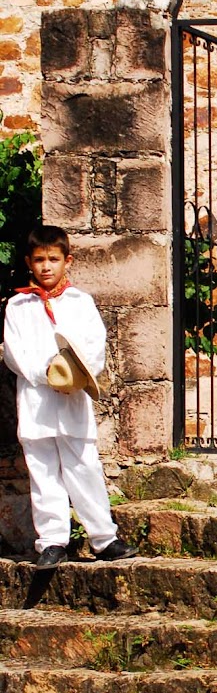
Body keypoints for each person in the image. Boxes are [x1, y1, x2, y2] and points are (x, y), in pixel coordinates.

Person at [2, 225, 136, 569]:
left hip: (72, 398)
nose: (46, 266)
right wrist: (44, 374)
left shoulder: (80, 302)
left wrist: (73, 374)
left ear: (67, 261)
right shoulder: (18, 305)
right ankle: (52, 541)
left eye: (53, 259)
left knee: (83, 466)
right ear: (29, 263)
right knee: (43, 470)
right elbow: (14, 351)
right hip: (36, 400)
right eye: (39, 260)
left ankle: (104, 538)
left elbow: (94, 346)